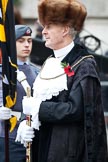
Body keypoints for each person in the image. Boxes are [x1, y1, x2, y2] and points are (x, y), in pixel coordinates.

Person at [16, 0, 108, 162]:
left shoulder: (84, 64)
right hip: (44, 145)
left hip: (67, 152)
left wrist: (39, 108)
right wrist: (27, 121)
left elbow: (76, 109)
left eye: (49, 26)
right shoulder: (52, 62)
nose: (43, 32)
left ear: (65, 29)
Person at [0, 25, 39, 162]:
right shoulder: (3, 72)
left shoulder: (36, 72)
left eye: (29, 40)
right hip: (9, 136)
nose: (27, 45)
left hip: (32, 134)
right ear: (11, 43)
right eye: (21, 41)